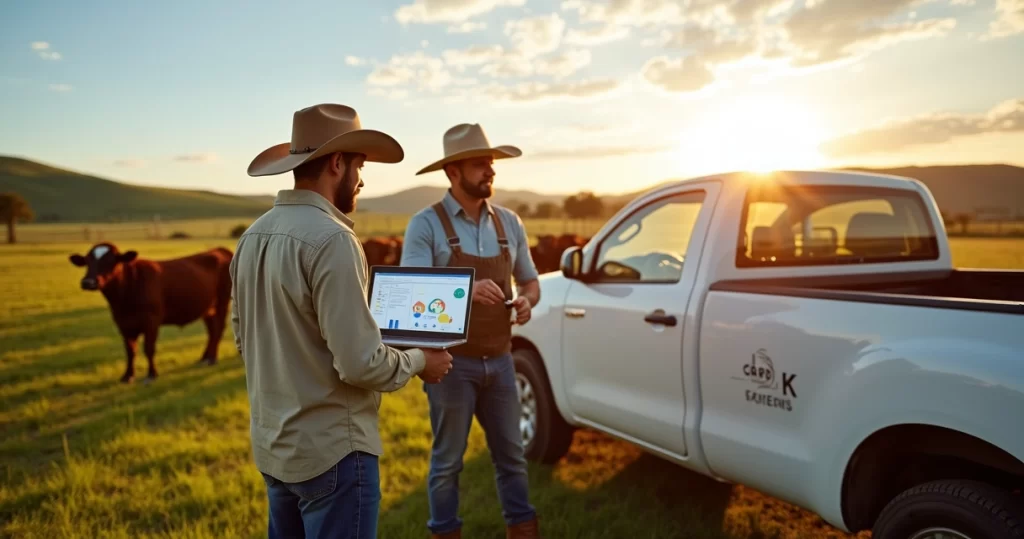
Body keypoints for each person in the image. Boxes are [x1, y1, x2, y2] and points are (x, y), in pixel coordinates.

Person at [230, 103, 453, 539]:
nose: (362, 179)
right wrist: (419, 361)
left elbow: (245, 341)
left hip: (274, 449)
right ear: (337, 164)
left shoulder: (251, 236)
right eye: (360, 166)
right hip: (333, 453)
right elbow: (360, 364)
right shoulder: (333, 238)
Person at [401, 123, 542, 539]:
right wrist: (464, 290)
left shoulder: (510, 223)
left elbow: (530, 282)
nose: (490, 170)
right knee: (447, 463)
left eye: (491, 163)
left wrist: (527, 301)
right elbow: (412, 295)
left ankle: (523, 530)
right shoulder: (425, 225)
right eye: (480, 163)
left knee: (512, 458)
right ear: (453, 171)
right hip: (450, 366)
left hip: (501, 361)